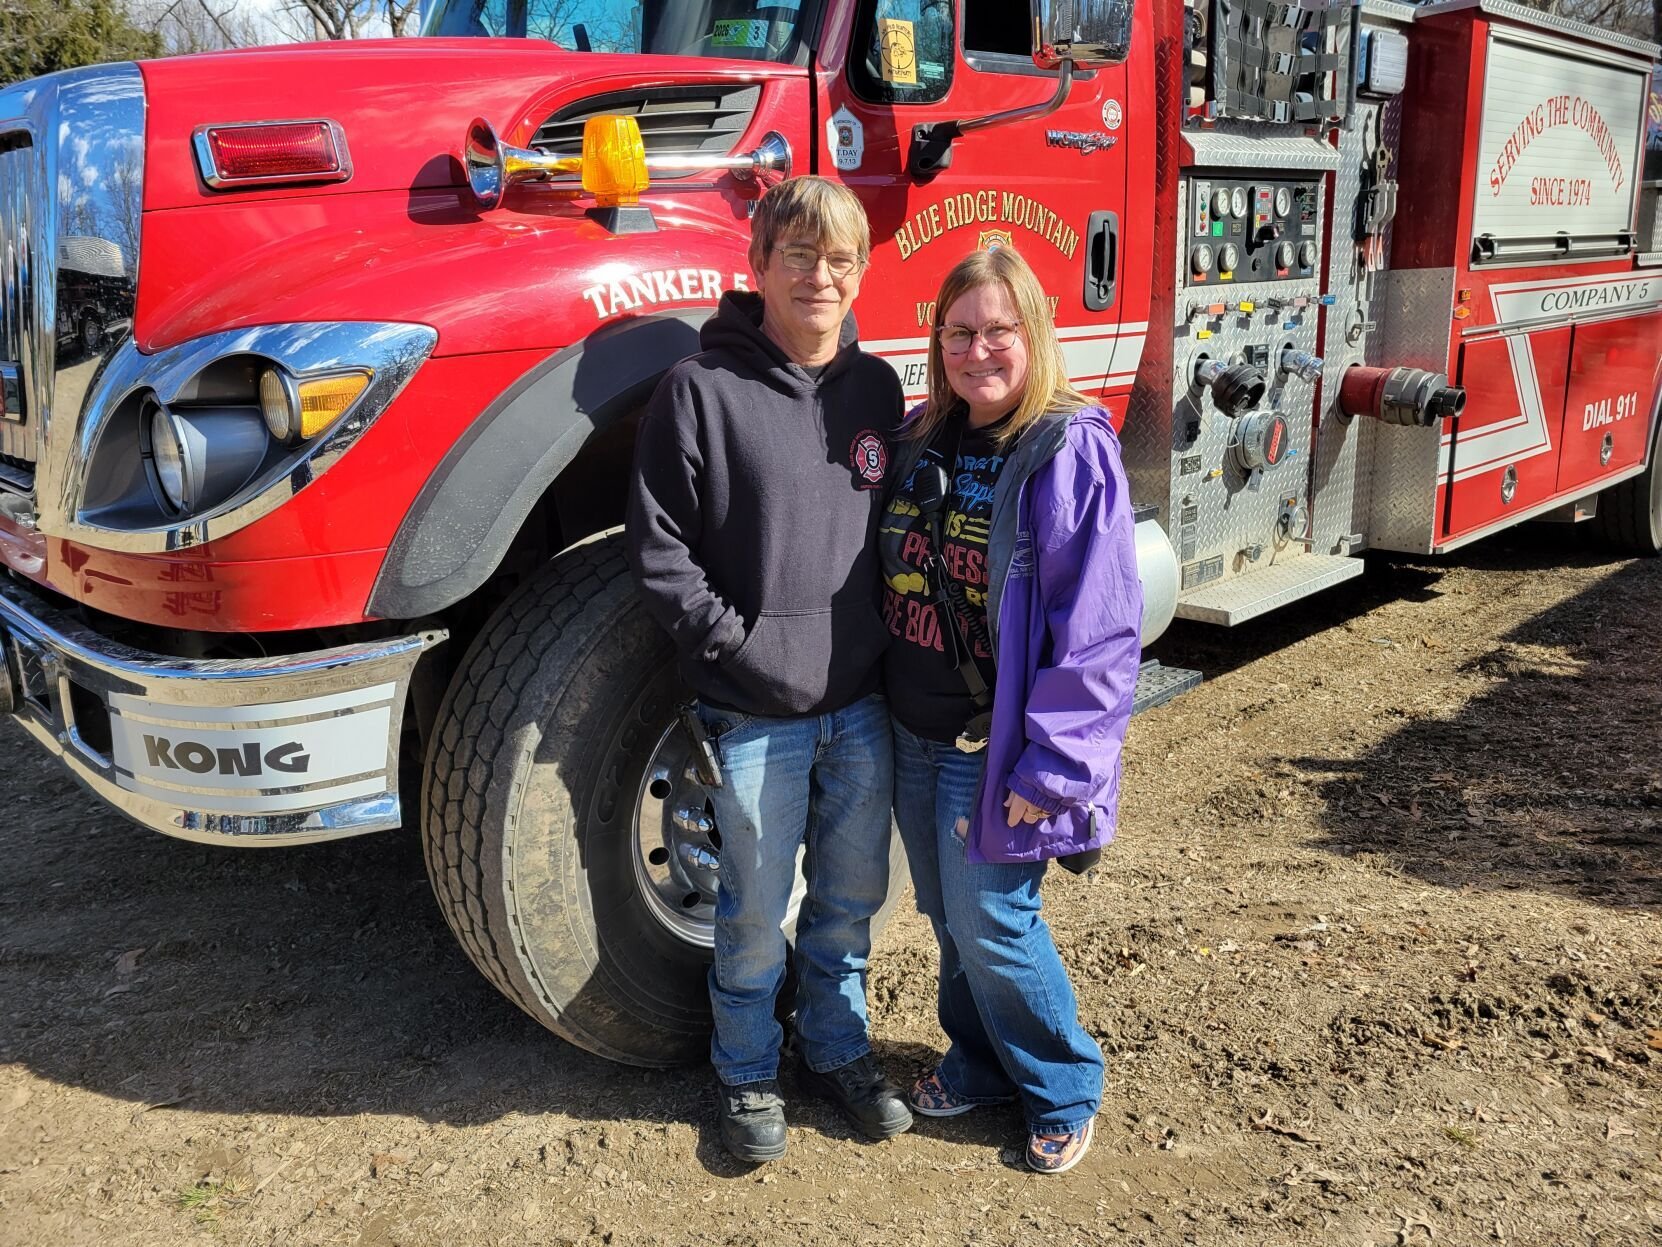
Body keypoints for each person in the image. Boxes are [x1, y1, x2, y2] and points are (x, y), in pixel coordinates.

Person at [626, 176, 910, 1164]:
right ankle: (747, 1069)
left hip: (860, 707)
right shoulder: (700, 392)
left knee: (848, 900)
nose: (819, 277)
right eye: (799, 255)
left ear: (859, 271)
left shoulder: (877, 392)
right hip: (753, 713)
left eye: (838, 260)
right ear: (758, 266)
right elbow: (662, 553)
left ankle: (835, 1049)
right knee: (752, 912)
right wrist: (739, 651)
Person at [878, 245, 1142, 1175]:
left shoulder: (1068, 451)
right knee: (949, 919)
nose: (976, 348)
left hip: (992, 746)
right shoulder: (922, 437)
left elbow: (1099, 632)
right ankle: (984, 1059)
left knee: (994, 921)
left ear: (1033, 334)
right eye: (958, 330)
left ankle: (1064, 1082)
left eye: (997, 329)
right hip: (912, 733)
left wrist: (1057, 767)